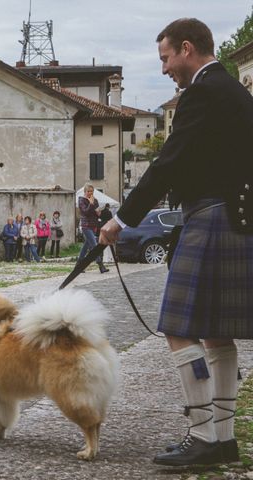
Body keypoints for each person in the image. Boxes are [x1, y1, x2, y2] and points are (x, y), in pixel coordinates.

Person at [100, 18, 253, 467]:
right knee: (218, 333)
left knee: (178, 326)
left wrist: (121, 220)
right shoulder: (236, 92)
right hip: (235, 217)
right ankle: (222, 439)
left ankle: (204, 435)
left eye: (166, 58)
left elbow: (168, 163)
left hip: (210, 217)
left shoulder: (202, 93)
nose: (165, 68)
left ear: (187, 49)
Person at [77, 183, 109, 273]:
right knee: (95, 245)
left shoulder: (95, 200)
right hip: (86, 226)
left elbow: (95, 213)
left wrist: (98, 213)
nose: (90, 193)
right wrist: (90, 204)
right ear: (85, 191)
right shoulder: (81, 200)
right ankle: (101, 265)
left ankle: (78, 265)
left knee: (85, 247)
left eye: (92, 191)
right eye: (88, 191)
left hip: (94, 225)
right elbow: (85, 212)